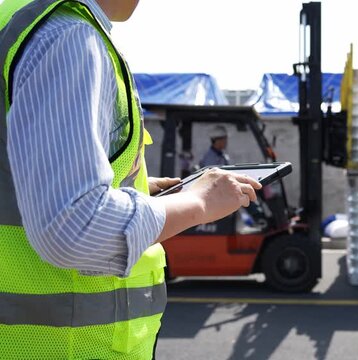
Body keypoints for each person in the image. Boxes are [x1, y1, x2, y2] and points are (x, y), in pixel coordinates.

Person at [0, 0, 261, 358]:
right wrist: (198, 203)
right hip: (61, 346)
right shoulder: (69, 37)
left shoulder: (15, 22)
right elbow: (74, 227)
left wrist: (136, 190)